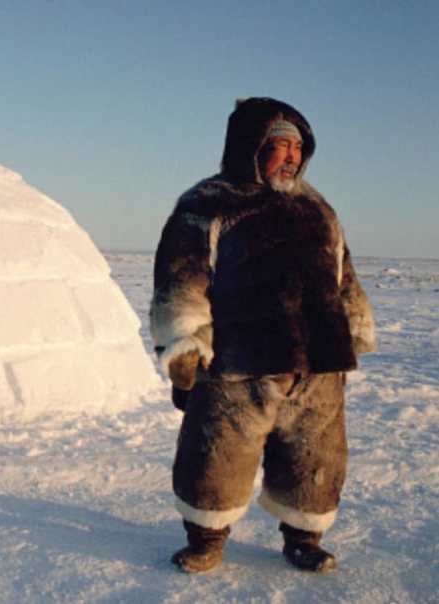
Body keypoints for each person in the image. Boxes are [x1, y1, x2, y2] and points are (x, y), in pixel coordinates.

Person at [150, 97, 376, 574]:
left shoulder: (318, 208)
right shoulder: (209, 202)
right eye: (279, 145)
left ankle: (304, 537)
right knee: (217, 456)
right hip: (237, 363)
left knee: (314, 458)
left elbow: (343, 273)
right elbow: (181, 278)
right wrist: (185, 343)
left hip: (315, 363)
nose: (291, 156)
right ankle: (207, 537)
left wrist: (351, 330)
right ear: (249, 147)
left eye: (298, 146)